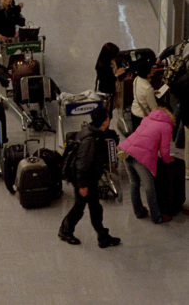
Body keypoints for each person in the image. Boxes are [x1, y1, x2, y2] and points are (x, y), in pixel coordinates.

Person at [58, 107, 121, 248]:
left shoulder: (93, 132)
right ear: (105, 121)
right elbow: (82, 164)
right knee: (80, 206)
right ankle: (65, 230)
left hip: (89, 177)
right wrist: (82, 185)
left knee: (95, 207)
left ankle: (102, 236)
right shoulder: (91, 140)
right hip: (83, 178)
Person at [118, 101, 175, 224]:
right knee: (149, 187)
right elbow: (165, 150)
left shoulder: (147, 118)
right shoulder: (166, 126)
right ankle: (157, 217)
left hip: (126, 151)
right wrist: (167, 161)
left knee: (134, 183)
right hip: (140, 157)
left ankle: (139, 211)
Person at [130, 58, 158, 131]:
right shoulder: (147, 88)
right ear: (148, 73)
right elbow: (154, 108)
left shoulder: (137, 79)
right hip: (142, 116)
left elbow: (139, 92)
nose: (153, 70)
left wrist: (152, 92)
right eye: (152, 69)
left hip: (134, 111)